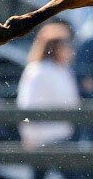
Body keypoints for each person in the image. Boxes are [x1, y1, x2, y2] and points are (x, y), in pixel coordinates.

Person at [17, 21, 79, 151]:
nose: (70, 50)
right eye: (66, 45)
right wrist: (30, 137)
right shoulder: (38, 71)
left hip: (63, 137)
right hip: (42, 140)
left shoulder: (64, 70)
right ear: (54, 47)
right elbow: (27, 105)